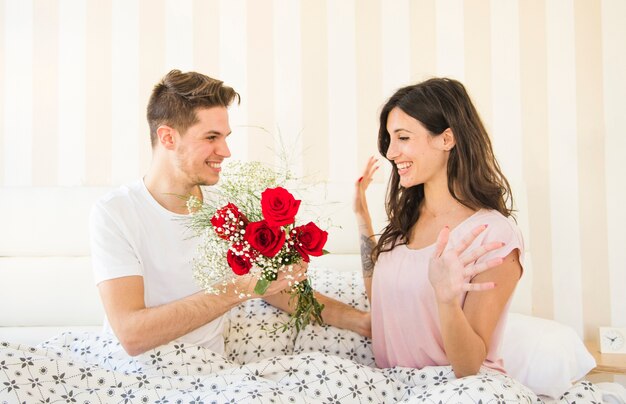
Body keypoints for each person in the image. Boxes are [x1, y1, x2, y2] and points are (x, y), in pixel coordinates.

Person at [90, 69, 368, 357]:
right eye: (211, 137)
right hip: (136, 377)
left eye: (225, 137)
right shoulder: (115, 213)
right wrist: (240, 288)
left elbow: (275, 291)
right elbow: (132, 335)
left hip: (211, 374)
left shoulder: (227, 207)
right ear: (168, 138)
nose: (225, 151)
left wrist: (361, 321)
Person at [353, 78, 523, 378]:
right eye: (389, 140)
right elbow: (381, 302)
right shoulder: (405, 222)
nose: (391, 153)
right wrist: (361, 217)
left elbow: (469, 366)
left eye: (403, 137)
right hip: (392, 386)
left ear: (447, 139)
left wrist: (446, 298)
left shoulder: (493, 235)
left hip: (459, 390)